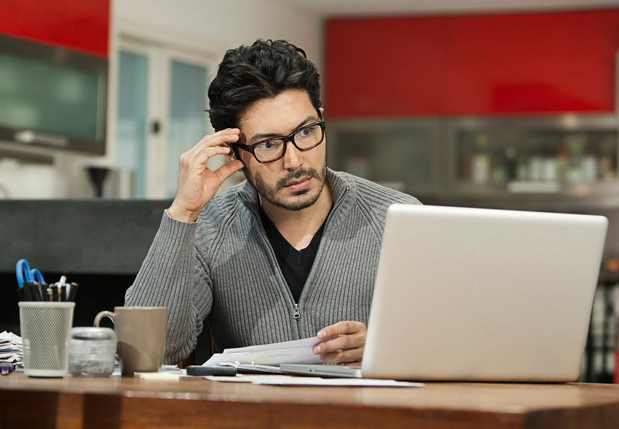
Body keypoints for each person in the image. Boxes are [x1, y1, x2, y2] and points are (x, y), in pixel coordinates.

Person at [125, 39, 420, 365]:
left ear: (321, 119)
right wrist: (184, 212)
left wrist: (388, 347)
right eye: (268, 144)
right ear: (235, 152)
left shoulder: (397, 219)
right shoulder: (212, 226)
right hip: (249, 414)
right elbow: (145, 350)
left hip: (365, 414)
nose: (294, 160)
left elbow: (457, 339)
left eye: (306, 132)